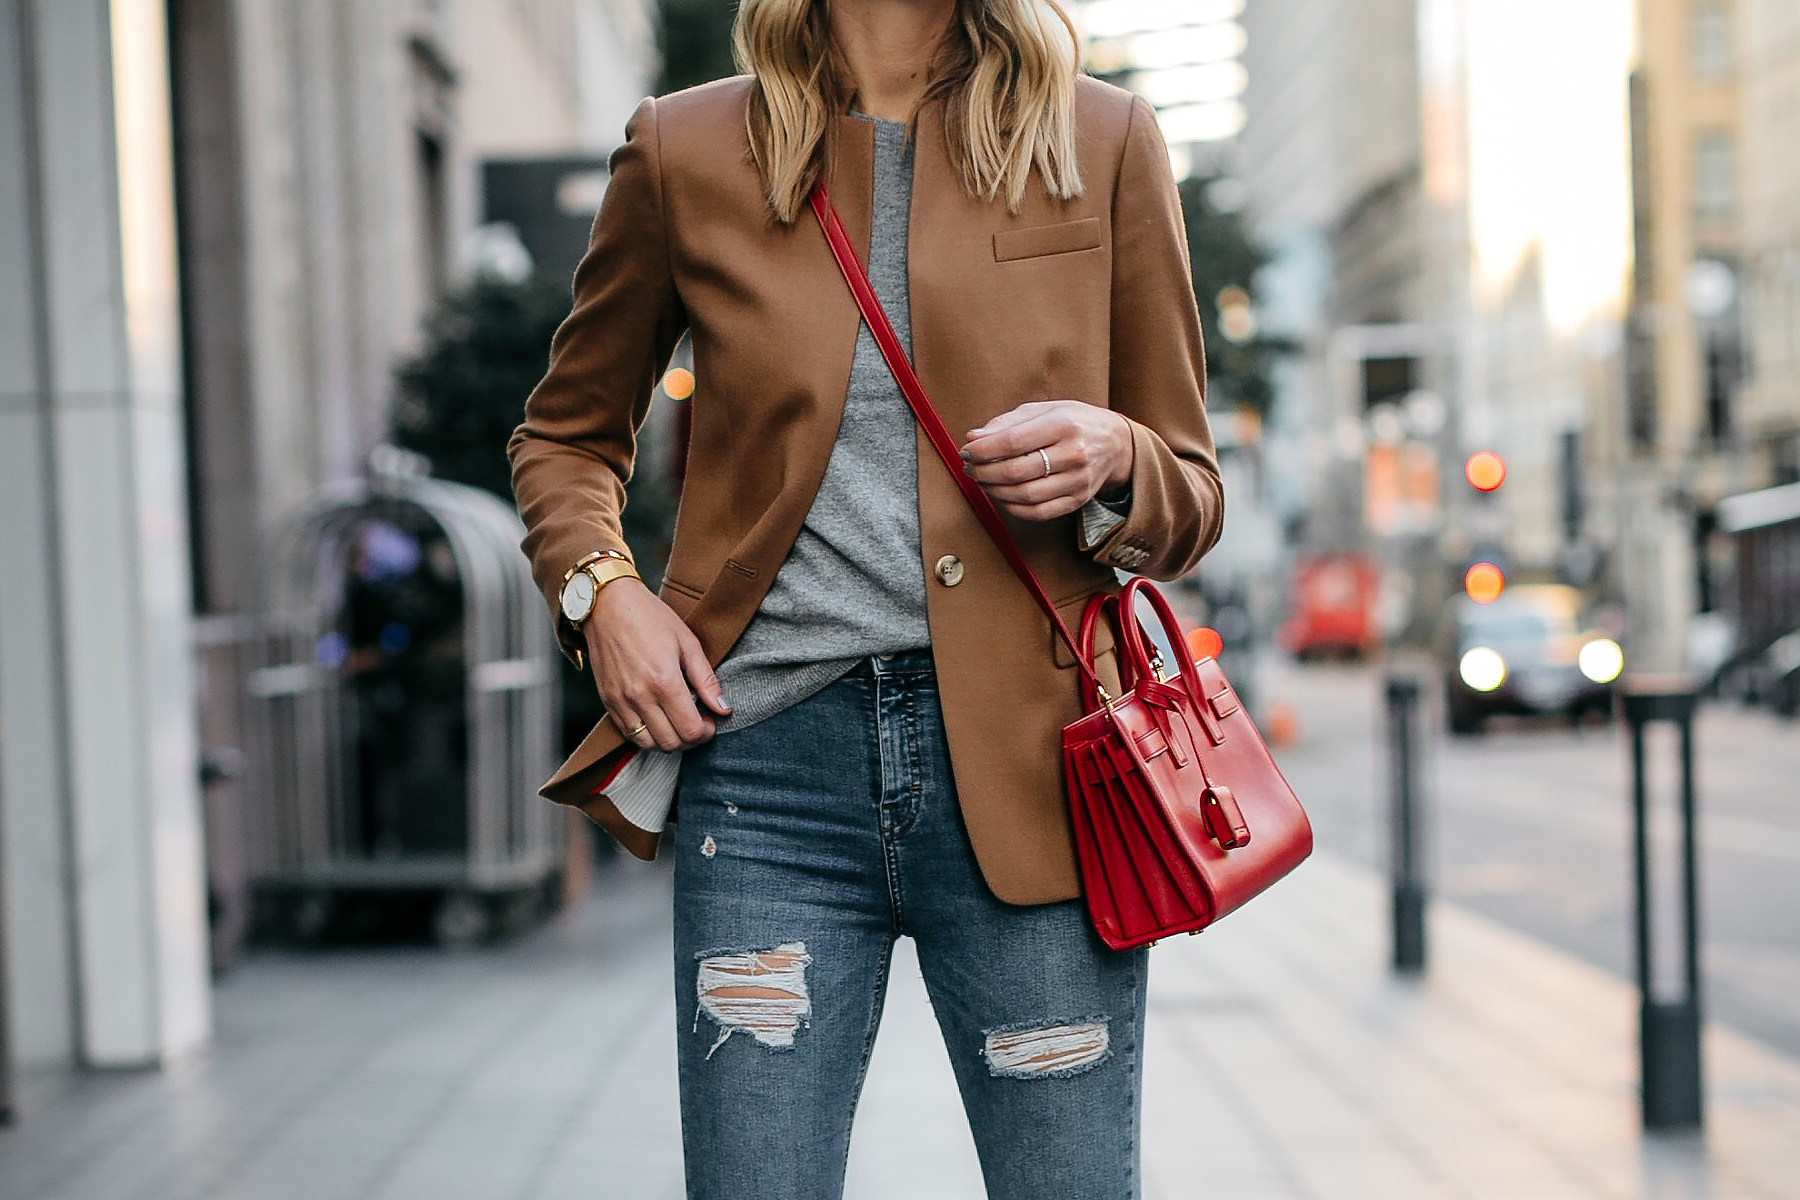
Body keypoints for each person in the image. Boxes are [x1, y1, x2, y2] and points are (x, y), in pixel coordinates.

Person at [507, 0, 1222, 1195]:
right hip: (770, 780)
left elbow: (1191, 490)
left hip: (1035, 780)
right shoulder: (686, 153)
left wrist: (1115, 452)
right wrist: (603, 594)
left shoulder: (1100, 140)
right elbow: (564, 437)